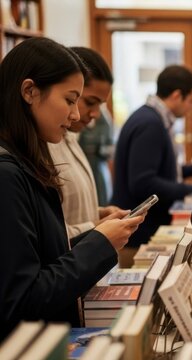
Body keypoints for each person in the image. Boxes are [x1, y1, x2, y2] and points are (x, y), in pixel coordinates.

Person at [0, 37, 144, 340]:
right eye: (69, 100)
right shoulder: (7, 174)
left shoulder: (28, 162)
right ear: (29, 91)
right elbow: (24, 299)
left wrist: (95, 236)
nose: (77, 115)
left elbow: (48, 255)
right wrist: (98, 244)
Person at [111, 65, 192, 267]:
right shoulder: (150, 124)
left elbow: (159, 170)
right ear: (177, 95)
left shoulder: (152, 118)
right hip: (139, 235)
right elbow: (143, 183)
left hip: (143, 230)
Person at [49, 46, 123, 238]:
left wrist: (98, 213)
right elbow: (49, 235)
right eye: (90, 102)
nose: (95, 114)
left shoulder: (69, 137)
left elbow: (67, 211)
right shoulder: (42, 146)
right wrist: (96, 227)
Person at [78, 105, 114, 206]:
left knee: (101, 199)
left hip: (99, 169)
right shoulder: (79, 122)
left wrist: (99, 150)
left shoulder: (104, 119)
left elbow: (110, 148)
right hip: (83, 167)